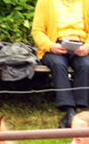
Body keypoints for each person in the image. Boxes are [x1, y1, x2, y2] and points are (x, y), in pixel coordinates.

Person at [32, 0, 89, 128]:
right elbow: (37, 31)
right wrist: (50, 46)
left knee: (86, 65)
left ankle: (79, 107)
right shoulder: (44, 2)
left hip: (80, 46)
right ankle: (69, 111)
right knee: (58, 64)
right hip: (54, 46)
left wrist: (87, 47)